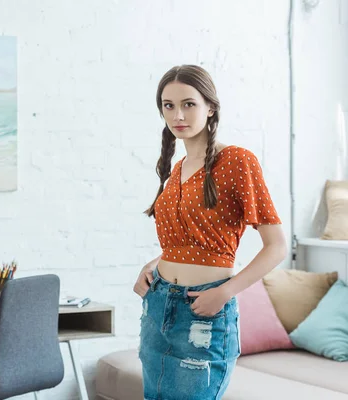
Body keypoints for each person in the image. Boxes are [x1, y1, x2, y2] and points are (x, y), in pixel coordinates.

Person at [134, 65, 287, 400]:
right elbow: (189, 242)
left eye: (189, 104)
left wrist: (226, 292)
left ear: (210, 107)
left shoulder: (235, 161)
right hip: (157, 304)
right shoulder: (176, 170)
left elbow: (276, 247)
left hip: (205, 309)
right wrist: (151, 266)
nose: (178, 114)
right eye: (168, 105)